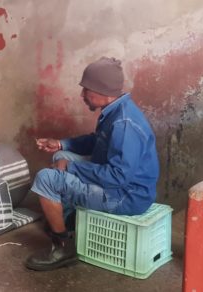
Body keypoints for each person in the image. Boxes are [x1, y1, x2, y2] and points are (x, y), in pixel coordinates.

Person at [25, 57, 159, 271]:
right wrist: (61, 144)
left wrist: (70, 167)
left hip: (125, 197)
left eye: (86, 90)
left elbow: (117, 177)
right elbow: (97, 142)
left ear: (101, 92)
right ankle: (68, 223)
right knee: (60, 157)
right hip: (120, 185)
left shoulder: (124, 125)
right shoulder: (116, 110)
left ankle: (64, 247)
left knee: (46, 178)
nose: (82, 95)